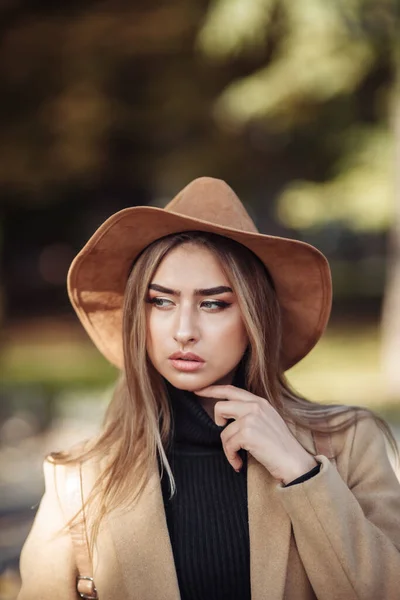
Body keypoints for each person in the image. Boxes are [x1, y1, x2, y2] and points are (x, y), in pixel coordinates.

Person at [18, 177, 400, 600]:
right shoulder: (79, 480)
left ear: (255, 318)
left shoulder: (348, 445)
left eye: (213, 303)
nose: (184, 331)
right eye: (161, 301)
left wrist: (301, 471)